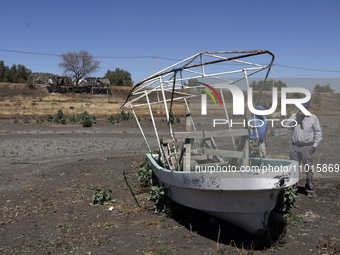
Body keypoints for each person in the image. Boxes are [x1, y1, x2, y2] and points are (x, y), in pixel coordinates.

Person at [286, 101, 322, 198]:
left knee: (308, 169)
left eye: (305, 108)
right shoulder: (294, 116)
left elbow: (318, 134)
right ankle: (293, 188)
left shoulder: (313, 118)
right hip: (294, 146)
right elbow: (288, 126)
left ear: (308, 107)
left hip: (307, 147)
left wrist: (314, 146)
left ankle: (309, 189)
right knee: (294, 168)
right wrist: (296, 116)